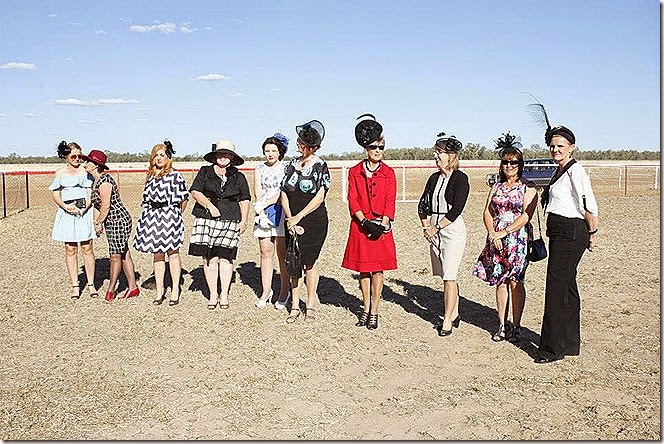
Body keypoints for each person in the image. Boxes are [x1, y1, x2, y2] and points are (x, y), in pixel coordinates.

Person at [534, 122, 598, 364]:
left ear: (571, 147)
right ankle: (569, 343)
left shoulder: (575, 171)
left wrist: (593, 233)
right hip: (560, 230)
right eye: (552, 146)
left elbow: (589, 205)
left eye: (560, 146)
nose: (555, 150)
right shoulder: (559, 171)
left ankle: (551, 349)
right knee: (567, 286)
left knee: (556, 287)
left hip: (570, 231)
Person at [473, 133, 537, 342]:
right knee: (500, 280)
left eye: (513, 162)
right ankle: (501, 324)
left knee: (515, 281)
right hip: (496, 239)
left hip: (517, 240)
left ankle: (516, 326)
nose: (509, 166)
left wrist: (505, 231)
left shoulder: (528, 188)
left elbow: (526, 215)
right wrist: (493, 234)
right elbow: (487, 211)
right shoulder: (496, 187)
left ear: (520, 165)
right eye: (505, 162)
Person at [341, 114, 397, 330]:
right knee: (363, 270)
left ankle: (375, 311)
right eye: (374, 147)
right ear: (366, 149)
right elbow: (353, 199)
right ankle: (365, 308)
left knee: (378, 270)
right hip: (361, 225)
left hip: (381, 226)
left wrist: (382, 224)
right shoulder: (355, 172)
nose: (378, 151)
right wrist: (364, 222)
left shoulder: (389, 173)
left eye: (381, 147)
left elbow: (390, 201)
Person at [418, 132, 470, 337]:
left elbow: (457, 210)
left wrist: (436, 227)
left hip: (452, 230)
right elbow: (423, 204)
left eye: (439, 152)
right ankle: (455, 312)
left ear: (451, 156)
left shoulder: (460, 178)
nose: (436, 156)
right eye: (435, 152)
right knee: (446, 275)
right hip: (434, 230)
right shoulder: (433, 178)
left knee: (450, 275)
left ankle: (447, 319)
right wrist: (426, 227)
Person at [188, 140, 251, 310]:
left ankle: (224, 294)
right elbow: (195, 191)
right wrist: (209, 206)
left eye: (227, 154)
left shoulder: (239, 176)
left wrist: (244, 221)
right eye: (220, 154)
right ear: (215, 156)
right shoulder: (205, 171)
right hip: (206, 219)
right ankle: (213, 294)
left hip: (230, 219)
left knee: (226, 257)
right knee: (209, 258)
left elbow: (245, 199)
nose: (223, 157)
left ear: (232, 157)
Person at [280, 120, 331, 323]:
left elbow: (320, 196)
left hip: (313, 220)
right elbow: (284, 191)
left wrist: (299, 216)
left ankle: (309, 305)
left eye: (301, 142)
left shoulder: (320, 165)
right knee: (294, 261)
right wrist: (289, 217)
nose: (298, 144)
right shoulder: (291, 164)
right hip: (291, 219)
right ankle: (294, 305)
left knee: (309, 262)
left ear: (311, 146)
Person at [133, 141, 190, 306]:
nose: (158, 158)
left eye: (162, 155)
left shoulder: (175, 175)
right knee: (157, 255)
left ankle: (175, 290)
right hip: (152, 218)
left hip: (170, 217)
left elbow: (184, 199)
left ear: (168, 157)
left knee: (173, 253)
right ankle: (160, 291)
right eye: (155, 155)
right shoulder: (151, 175)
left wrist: (175, 215)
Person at [82, 149, 140, 302]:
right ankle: (132, 286)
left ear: (96, 165)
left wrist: (99, 221)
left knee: (115, 255)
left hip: (118, 220)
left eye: (88, 161)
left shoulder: (105, 181)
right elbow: (97, 205)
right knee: (123, 252)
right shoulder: (95, 181)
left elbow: (106, 205)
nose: (85, 164)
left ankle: (111, 289)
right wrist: (97, 222)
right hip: (110, 221)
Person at [49, 141, 97, 299]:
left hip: (84, 213)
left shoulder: (85, 171)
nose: (77, 159)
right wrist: (65, 206)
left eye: (79, 156)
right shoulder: (60, 173)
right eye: (73, 156)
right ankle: (75, 286)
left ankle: (91, 284)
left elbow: (91, 193)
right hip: (67, 213)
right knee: (70, 249)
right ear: (66, 156)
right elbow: (56, 194)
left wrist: (85, 208)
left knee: (87, 248)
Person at [253, 133, 291, 309]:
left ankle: (284, 290)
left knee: (282, 253)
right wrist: (260, 209)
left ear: (280, 152)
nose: (270, 154)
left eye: (273, 150)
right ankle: (266, 290)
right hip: (263, 212)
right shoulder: (259, 168)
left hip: (281, 210)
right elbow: (258, 190)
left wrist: (267, 202)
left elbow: (284, 191)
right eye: (267, 150)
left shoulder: (286, 168)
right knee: (265, 251)